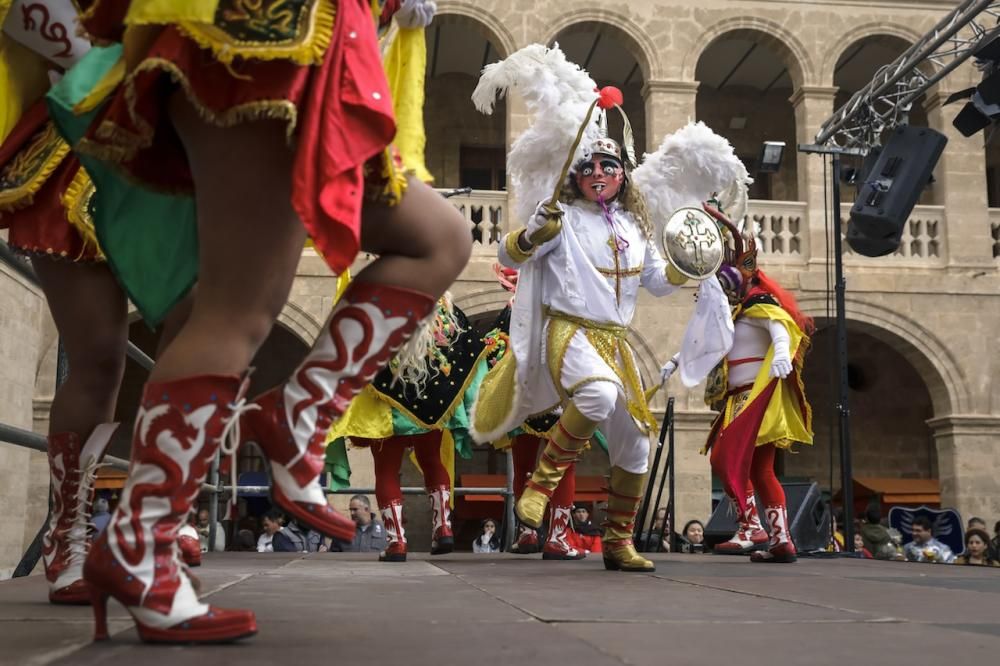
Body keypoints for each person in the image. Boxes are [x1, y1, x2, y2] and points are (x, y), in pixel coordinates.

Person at [58, 0, 470, 643]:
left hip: (306, 43)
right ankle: (140, 544)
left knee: (438, 239)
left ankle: (296, 414)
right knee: (235, 307)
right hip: (261, 37)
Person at [470, 45, 690, 573]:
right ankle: (541, 490)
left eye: (608, 164)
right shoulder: (561, 218)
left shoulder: (636, 228)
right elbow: (506, 253)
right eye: (588, 164)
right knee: (595, 395)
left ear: (622, 174)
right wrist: (531, 233)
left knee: (636, 442)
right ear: (575, 174)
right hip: (569, 332)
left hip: (615, 342)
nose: (597, 171)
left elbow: (657, 281)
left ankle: (617, 543)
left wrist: (688, 268)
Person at [665, 198, 815, 564]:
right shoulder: (730, 313)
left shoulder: (758, 301)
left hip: (758, 394)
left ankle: (752, 526)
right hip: (738, 397)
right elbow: (710, 346)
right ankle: (782, 540)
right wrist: (676, 360)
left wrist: (781, 352)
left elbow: (781, 326)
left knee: (724, 457)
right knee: (758, 469)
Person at [327, 294, 482, 562]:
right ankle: (443, 528)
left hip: (386, 406)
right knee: (432, 460)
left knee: (386, 470)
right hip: (430, 402)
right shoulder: (442, 305)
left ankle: (397, 543)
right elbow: (464, 349)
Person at [478, 267, 592, 561]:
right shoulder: (564, 308)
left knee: (525, 464)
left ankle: (528, 533)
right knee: (562, 465)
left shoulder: (513, 310)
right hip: (556, 400)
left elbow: (494, 352)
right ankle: (555, 537)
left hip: (525, 401)